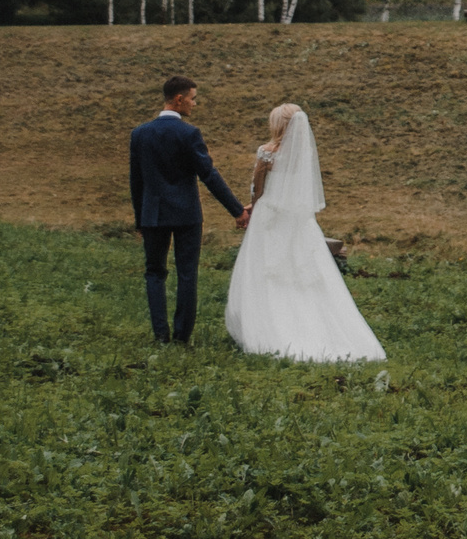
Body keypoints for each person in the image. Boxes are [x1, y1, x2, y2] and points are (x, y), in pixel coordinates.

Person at [224, 103, 386, 363]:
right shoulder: (303, 155)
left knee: (266, 270)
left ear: (278, 125)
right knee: (303, 273)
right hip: (298, 219)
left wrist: (251, 206)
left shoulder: (267, 153)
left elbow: (258, 188)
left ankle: (267, 325)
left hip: (271, 217)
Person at [128, 75, 249, 346]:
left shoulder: (140, 134)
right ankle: (182, 337)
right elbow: (209, 175)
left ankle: (160, 335)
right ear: (179, 99)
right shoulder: (189, 134)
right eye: (193, 98)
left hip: (153, 214)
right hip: (186, 215)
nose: (195, 104)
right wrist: (237, 210)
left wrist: (140, 219)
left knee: (154, 272)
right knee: (186, 273)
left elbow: (136, 181)